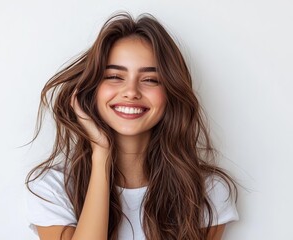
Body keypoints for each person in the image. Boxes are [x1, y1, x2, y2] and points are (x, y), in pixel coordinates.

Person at [25, 12, 239, 240]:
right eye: (115, 76)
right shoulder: (52, 188)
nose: (131, 92)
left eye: (150, 80)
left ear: (170, 93)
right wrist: (101, 155)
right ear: (92, 89)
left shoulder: (209, 191)